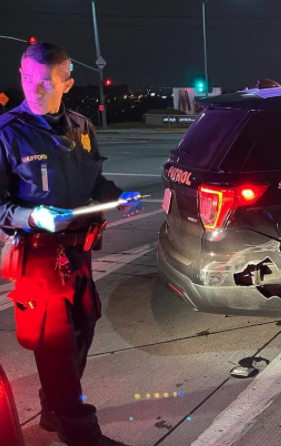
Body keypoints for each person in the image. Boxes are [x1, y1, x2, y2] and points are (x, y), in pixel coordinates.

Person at [0, 42, 142, 446]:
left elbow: (96, 183)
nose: (35, 90)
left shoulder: (82, 127)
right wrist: (33, 216)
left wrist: (118, 195)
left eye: (46, 82)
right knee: (56, 344)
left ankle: (53, 409)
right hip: (38, 258)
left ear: (67, 82)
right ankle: (81, 431)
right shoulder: (8, 134)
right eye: (28, 79)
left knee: (84, 327)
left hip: (78, 252)